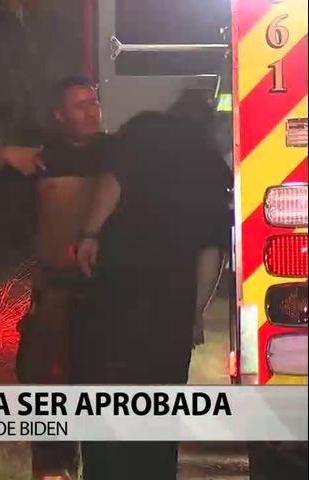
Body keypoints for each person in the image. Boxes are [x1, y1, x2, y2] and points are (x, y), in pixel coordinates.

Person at [74, 91, 231, 480]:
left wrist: (90, 234)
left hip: (115, 295)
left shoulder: (143, 130)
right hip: (170, 310)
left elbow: (112, 183)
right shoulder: (212, 167)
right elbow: (210, 253)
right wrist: (195, 314)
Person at [0, 76, 110, 480]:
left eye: (94, 102)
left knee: (101, 394)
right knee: (47, 392)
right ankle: (52, 469)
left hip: (105, 297)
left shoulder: (114, 154)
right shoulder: (42, 157)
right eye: (80, 105)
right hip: (55, 295)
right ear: (59, 115)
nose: (91, 111)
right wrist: (4, 153)